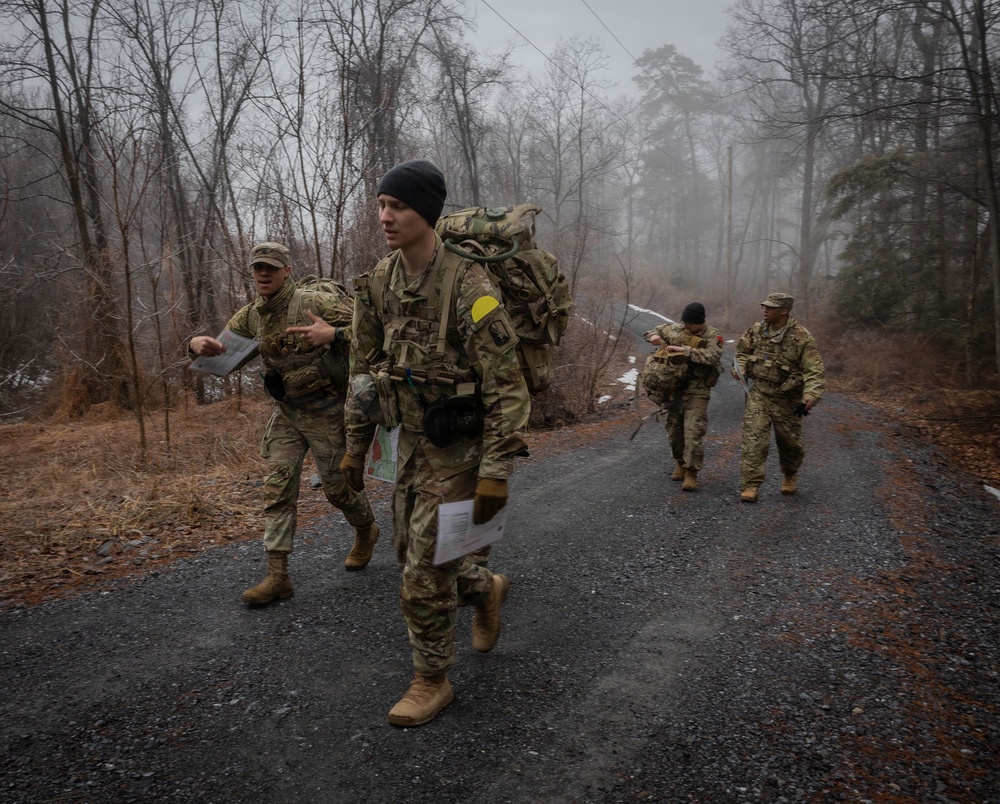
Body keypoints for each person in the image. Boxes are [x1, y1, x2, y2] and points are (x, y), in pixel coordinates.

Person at [340, 159, 530, 727]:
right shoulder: (377, 283)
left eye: (397, 206)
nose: (385, 216)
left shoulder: (470, 285)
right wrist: (355, 444)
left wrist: (497, 470)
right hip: (409, 441)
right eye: (380, 205)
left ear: (427, 210)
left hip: (464, 445)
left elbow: (508, 387)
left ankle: (431, 679)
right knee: (421, 554)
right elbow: (363, 369)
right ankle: (484, 587)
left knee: (421, 569)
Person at [187, 242, 379, 605]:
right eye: (258, 267)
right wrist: (196, 344)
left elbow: (375, 333)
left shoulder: (314, 304)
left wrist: (335, 334)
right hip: (288, 413)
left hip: (328, 410)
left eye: (271, 268)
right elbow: (222, 356)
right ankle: (278, 576)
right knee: (278, 487)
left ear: (286, 271)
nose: (263, 273)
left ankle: (366, 529)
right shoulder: (251, 317)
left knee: (338, 491)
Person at [733, 292, 825, 503]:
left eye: (770, 307)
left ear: (784, 311)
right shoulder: (755, 331)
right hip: (759, 394)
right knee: (753, 438)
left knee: (790, 444)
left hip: (788, 398)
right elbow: (740, 353)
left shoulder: (801, 338)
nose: (765, 310)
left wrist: (810, 395)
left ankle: (790, 474)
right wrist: (740, 368)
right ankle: (751, 485)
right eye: (764, 306)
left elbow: (814, 371)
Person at [643, 302, 724, 492]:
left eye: (690, 324)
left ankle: (691, 472)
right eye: (684, 322)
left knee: (693, 432)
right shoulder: (675, 329)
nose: (686, 326)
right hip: (674, 390)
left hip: (698, 390)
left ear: (700, 322)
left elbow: (712, 357)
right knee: (674, 432)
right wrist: (653, 336)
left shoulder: (712, 335)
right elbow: (651, 331)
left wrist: (684, 351)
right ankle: (680, 462)